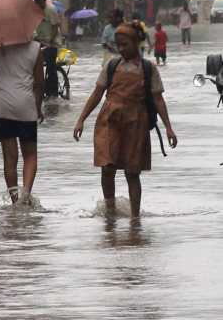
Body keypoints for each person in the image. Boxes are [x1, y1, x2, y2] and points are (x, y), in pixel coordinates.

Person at [73, 22, 178, 219]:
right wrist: (81, 120)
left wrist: (169, 129)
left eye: (125, 44)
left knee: (132, 172)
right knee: (107, 167)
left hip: (136, 123)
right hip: (109, 121)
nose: (121, 49)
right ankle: (110, 212)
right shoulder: (111, 66)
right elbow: (97, 94)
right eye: (118, 45)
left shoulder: (148, 69)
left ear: (137, 42)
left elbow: (158, 99)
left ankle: (135, 218)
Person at [0, 41, 44, 204]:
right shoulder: (36, 48)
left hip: (1, 105)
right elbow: (39, 83)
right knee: (30, 154)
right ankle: (26, 195)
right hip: (25, 104)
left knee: (9, 157)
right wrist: (38, 107)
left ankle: (15, 201)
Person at [33, 0, 61, 98]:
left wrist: (50, 41)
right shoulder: (35, 10)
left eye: (39, 1)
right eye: (36, 1)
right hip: (39, 41)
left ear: (44, 0)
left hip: (52, 42)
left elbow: (55, 27)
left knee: (50, 67)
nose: (37, 4)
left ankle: (53, 92)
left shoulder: (51, 10)